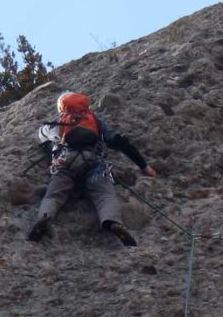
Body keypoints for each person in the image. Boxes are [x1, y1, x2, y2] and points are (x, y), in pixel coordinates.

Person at [27, 91, 156, 246]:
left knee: (52, 196)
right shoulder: (94, 121)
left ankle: (44, 217)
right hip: (93, 163)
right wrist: (144, 166)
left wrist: (52, 155)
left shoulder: (57, 123)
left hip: (65, 163)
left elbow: (42, 139)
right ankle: (112, 221)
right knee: (105, 196)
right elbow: (119, 141)